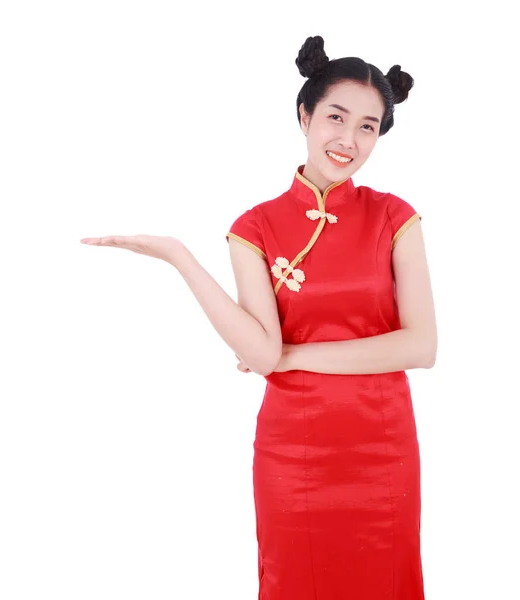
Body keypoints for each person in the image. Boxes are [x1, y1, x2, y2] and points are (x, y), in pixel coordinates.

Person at [81, 34, 437, 600]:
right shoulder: (255, 228)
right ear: (304, 115)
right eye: (335, 117)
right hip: (294, 450)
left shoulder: (396, 217)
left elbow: (420, 347)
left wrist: (295, 355)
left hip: (383, 447)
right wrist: (180, 257)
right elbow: (262, 355)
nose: (348, 140)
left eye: (368, 126)